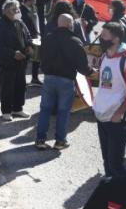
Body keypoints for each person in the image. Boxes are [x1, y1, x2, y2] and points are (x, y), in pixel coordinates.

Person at [93, 22, 126, 178]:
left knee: (116, 162)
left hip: (117, 118)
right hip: (102, 114)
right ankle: (109, 186)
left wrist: (119, 113)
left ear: (115, 39)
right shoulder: (105, 56)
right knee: (106, 158)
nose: (100, 38)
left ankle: (123, 192)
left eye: (104, 36)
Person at [36, 14, 91, 150]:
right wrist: (91, 72)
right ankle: (60, 141)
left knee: (45, 109)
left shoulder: (48, 38)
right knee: (63, 111)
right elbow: (82, 67)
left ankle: (40, 140)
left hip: (49, 78)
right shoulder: (75, 41)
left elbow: (40, 57)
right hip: (66, 80)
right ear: (70, 25)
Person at [0, 0, 33, 121]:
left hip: (22, 61)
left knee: (20, 86)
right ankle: (6, 111)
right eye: (15, 10)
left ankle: (18, 108)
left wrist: (30, 45)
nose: (18, 12)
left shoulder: (19, 22)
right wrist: (12, 53)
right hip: (8, 62)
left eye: (18, 9)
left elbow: (28, 35)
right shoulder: (0, 25)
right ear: (7, 12)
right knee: (7, 87)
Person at [20, 0, 43, 86]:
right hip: (26, 38)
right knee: (25, 59)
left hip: (36, 36)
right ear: (29, 0)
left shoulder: (34, 8)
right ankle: (21, 80)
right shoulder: (21, 10)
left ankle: (34, 78)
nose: (35, 1)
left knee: (36, 58)